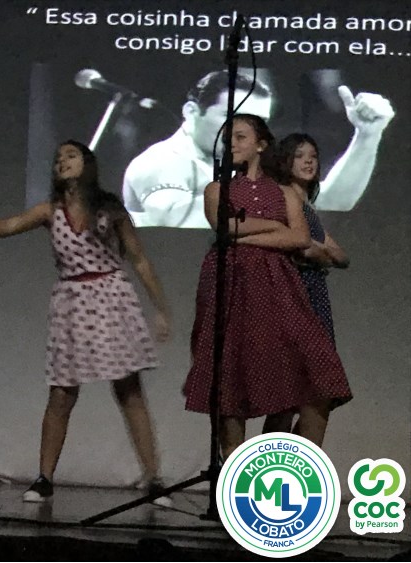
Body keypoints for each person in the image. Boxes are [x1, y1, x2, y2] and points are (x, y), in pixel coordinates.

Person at [0, 140, 173, 505]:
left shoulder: (109, 209)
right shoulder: (50, 211)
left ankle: (154, 479)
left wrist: (160, 308)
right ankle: (44, 478)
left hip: (112, 298)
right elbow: (9, 224)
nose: (62, 161)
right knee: (62, 393)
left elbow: (139, 259)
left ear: (87, 163)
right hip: (72, 302)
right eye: (58, 158)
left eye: (71, 155)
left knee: (129, 390)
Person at [183, 115, 352, 459]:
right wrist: (274, 229)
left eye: (240, 137)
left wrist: (246, 233)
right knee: (230, 374)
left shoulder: (284, 192)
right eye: (228, 139)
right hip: (230, 282)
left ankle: (296, 466)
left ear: (261, 145)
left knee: (316, 373)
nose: (232, 144)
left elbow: (300, 237)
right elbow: (223, 227)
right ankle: (235, 470)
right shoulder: (217, 189)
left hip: (279, 285)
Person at [123, 70, 395, 227]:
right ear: (192, 111)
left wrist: (367, 136)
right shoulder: (161, 162)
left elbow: (333, 201)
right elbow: (172, 220)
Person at [261, 133, 350, 444]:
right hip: (294, 295)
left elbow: (341, 256)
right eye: (300, 156)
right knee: (291, 393)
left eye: (313, 156)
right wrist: (317, 250)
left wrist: (318, 250)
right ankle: (275, 462)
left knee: (312, 392)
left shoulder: (306, 203)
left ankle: (294, 459)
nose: (309, 161)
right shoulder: (284, 198)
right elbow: (300, 247)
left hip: (315, 295)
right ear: (285, 161)